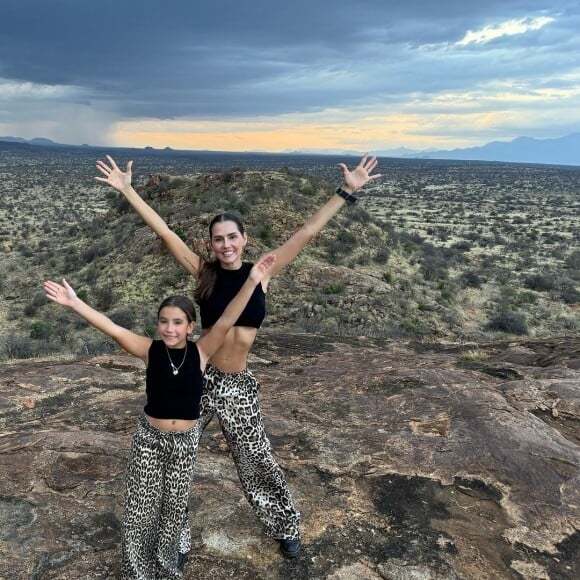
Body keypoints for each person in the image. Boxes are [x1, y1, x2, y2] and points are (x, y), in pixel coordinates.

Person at [95, 152, 381, 558]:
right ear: (210, 244)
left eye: (233, 237)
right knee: (178, 460)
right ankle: (174, 540)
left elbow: (306, 233)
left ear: (244, 239)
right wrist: (128, 191)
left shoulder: (260, 273)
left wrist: (346, 192)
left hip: (237, 385)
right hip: (198, 377)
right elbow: (165, 233)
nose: (226, 245)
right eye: (218, 239)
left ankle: (284, 525)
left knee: (255, 457)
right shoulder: (203, 273)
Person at [43, 252, 276, 579]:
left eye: (177, 322)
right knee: (138, 514)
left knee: (173, 512)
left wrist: (251, 282)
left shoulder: (202, 351)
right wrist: (75, 302)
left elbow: (227, 318)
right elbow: (111, 327)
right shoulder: (148, 350)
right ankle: (136, 575)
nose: (170, 328)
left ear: (191, 326)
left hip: (184, 444)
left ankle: (168, 572)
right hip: (149, 441)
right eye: (164, 321)